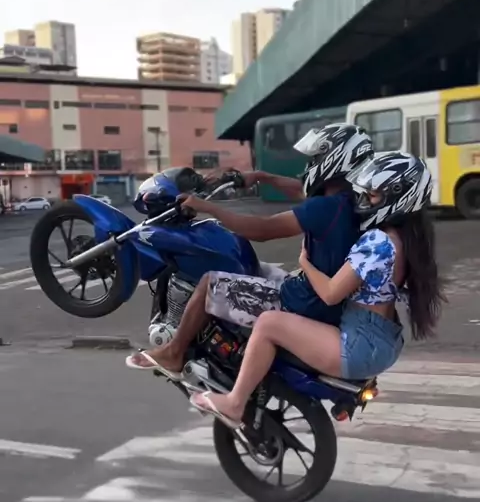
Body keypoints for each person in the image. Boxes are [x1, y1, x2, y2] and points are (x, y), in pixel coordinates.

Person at [188, 151, 446, 429]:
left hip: (359, 345)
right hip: (384, 339)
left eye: (373, 195)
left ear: (399, 197)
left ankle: (235, 402)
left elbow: (331, 293)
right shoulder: (410, 239)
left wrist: (305, 263)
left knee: (268, 323)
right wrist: (264, 177)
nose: (364, 200)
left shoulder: (378, 242)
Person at [126, 124, 374, 372]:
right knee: (254, 268)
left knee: (209, 285)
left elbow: (262, 230)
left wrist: (208, 208)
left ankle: (173, 353)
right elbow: (301, 190)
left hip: (303, 301)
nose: (311, 165)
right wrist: (261, 177)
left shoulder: (325, 208)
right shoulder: (354, 201)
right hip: (322, 299)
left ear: (336, 158)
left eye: (316, 158)